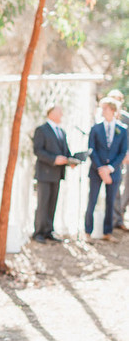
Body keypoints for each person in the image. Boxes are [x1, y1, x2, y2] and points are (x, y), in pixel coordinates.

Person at [84, 97, 128, 242]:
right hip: (96, 171)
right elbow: (92, 150)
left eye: (105, 108)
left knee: (111, 202)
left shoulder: (122, 130)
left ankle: (107, 232)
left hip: (113, 172)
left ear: (113, 110)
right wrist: (101, 169)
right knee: (92, 200)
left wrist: (109, 168)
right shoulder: (95, 128)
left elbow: (123, 152)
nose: (102, 111)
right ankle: (87, 232)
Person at [32, 104, 76, 243]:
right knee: (43, 203)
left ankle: (48, 231)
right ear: (51, 113)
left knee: (52, 203)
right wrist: (54, 159)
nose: (62, 114)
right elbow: (38, 150)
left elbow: (65, 151)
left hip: (57, 174)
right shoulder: (41, 130)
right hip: (45, 173)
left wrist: (71, 160)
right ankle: (38, 232)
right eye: (59, 112)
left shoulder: (61, 131)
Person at [107, 90, 129, 232]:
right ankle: (113, 218)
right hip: (109, 160)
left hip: (124, 157)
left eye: (117, 99)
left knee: (125, 187)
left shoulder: (126, 118)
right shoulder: (103, 117)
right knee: (114, 189)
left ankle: (120, 214)